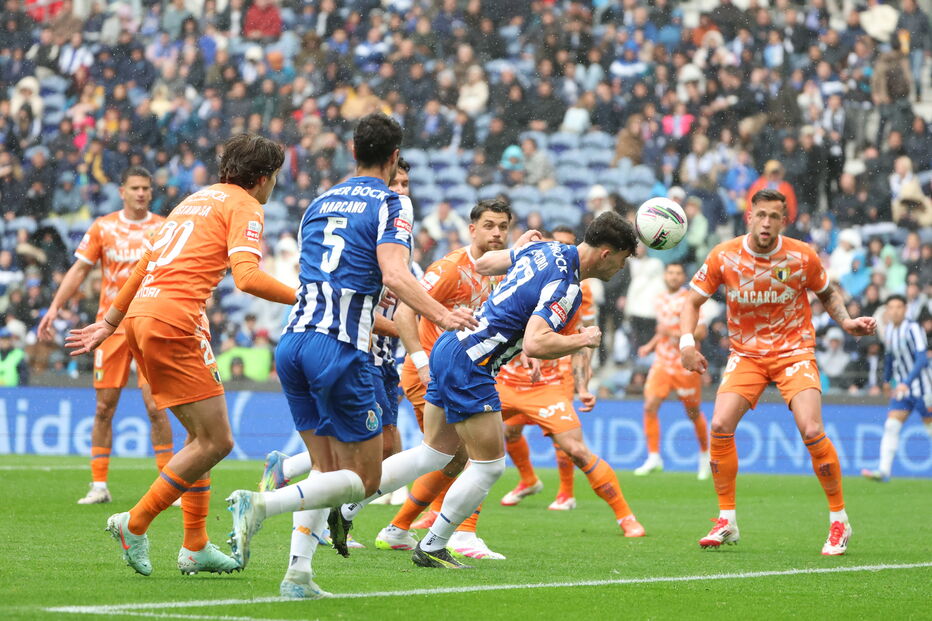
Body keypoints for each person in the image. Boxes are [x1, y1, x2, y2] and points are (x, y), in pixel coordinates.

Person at [225, 113, 477, 598]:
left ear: (352, 150)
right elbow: (397, 276)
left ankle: (297, 574)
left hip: (294, 341)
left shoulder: (319, 201)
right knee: (364, 479)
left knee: (327, 474)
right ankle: (259, 506)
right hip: (339, 348)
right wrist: (443, 318)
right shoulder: (391, 202)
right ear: (395, 157)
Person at [66, 134, 298, 577]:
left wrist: (111, 322)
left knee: (200, 441)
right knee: (218, 442)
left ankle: (195, 545)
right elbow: (247, 278)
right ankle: (134, 523)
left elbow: (144, 264)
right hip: (175, 319)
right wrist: (305, 296)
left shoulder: (193, 201)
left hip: (141, 316)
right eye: (275, 179)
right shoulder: (246, 205)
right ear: (264, 178)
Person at [680, 189, 876, 556]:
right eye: (761, 215)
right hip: (747, 355)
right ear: (748, 217)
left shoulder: (802, 256)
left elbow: (827, 292)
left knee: (812, 429)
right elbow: (691, 302)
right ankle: (727, 520)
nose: (766, 222)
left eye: (774, 216)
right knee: (720, 424)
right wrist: (686, 345)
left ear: (784, 221)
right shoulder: (724, 256)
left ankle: (839, 520)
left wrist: (847, 321)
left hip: (794, 352)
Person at [371, 197, 516, 559]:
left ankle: (392, 525)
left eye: (502, 226)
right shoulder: (452, 267)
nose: (496, 233)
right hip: (434, 370)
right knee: (470, 455)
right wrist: (420, 362)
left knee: (443, 456)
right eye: (488, 226)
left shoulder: (500, 270)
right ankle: (461, 534)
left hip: (459, 370)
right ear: (471, 229)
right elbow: (405, 313)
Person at [38, 167, 175, 505]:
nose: (141, 193)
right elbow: (80, 268)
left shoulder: (163, 228)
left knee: (156, 407)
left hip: (148, 324)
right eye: (135, 188)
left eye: (146, 188)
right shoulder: (104, 227)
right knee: (103, 408)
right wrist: (55, 306)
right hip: (107, 328)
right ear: (122, 191)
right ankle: (99, 486)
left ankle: (168, 485)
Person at [496, 229, 644, 536]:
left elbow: (582, 341)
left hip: (547, 383)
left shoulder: (576, 292)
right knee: (472, 447)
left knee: (574, 448)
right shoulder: (518, 273)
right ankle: (435, 519)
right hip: (505, 381)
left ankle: (624, 516)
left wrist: (582, 387)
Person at [634, 262, 711, 480]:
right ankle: (653, 456)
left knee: (692, 413)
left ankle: (704, 455)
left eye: (678, 273)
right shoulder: (659, 299)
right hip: (662, 362)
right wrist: (650, 344)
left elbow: (702, 332)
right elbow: (662, 330)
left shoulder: (691, 300)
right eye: (670, 272)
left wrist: (673, 333)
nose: (674, 276)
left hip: (685, 364)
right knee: (650, 405)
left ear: (683, 276)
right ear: (665, 276)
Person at [862, 295, 932, 482]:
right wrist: (886, 380)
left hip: (924, 389)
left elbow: (922, 359)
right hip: (902, 391)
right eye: (891, 307)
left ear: (905, 309)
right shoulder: (890, 330)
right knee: (891, 426)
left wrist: (906, 382)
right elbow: (890, 357)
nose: (895, 311)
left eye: (899, 307)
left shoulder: (914, 329)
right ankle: (883, 471)